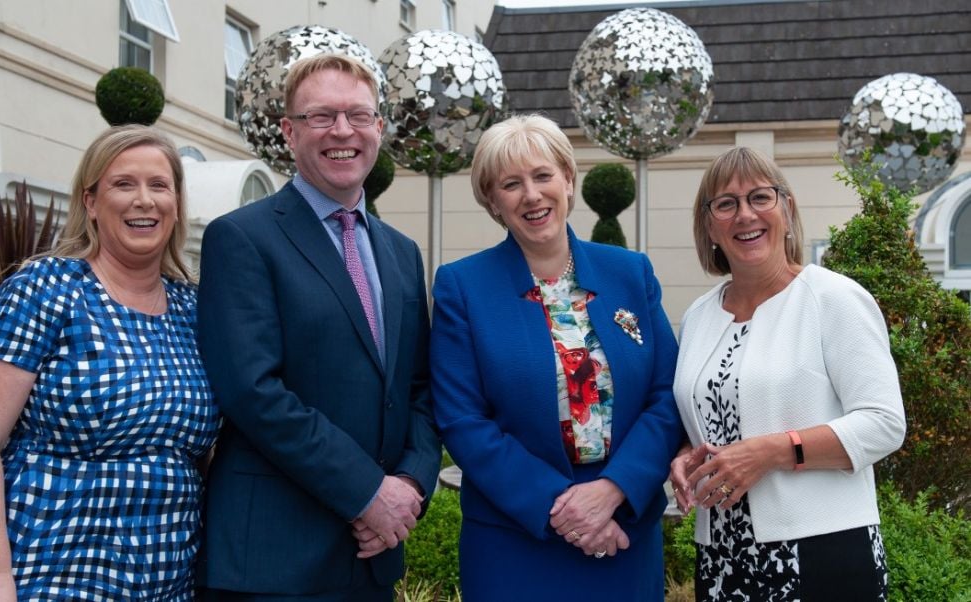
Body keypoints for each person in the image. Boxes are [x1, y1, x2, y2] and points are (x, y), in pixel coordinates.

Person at [195, 54, 441, 602]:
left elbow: (421, 388)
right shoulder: (241, 238)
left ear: (378, 128)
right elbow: (251, 390)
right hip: (273, 561)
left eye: (358, 115)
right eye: (322, 116)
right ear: (289, 131)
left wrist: (409, 486)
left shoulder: (402, 252)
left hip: (373, 553)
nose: (342, 131)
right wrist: (366, 492)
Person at [0, 124, 220, 601]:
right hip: (50, 571)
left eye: (159, 186)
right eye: (123, 184)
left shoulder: (194, 311)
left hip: (167, 580)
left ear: (177, 206)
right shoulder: (46, 289)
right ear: (91, 202)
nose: (144, 200)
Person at [429, 114, 683, 600]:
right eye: (510, 184)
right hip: (516, 535)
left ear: (568, 179)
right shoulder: (463, 286)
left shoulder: (630, 273)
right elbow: (462, 419)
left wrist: (614, 491)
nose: (532, 195)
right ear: (492, 201)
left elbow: (666, 394)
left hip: (623, 527)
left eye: (543, 175)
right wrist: (561, 508)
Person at [668, 146, 906, 600]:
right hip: (721, 556)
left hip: (821, 550)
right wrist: (685, 453)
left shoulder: (833, 298)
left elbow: (884, 424)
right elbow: (717, 413)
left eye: (760, 197)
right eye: (726, 203)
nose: (745, 215)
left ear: (787, 209)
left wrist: (775, 451)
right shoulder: (700, 315)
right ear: (708, 226)